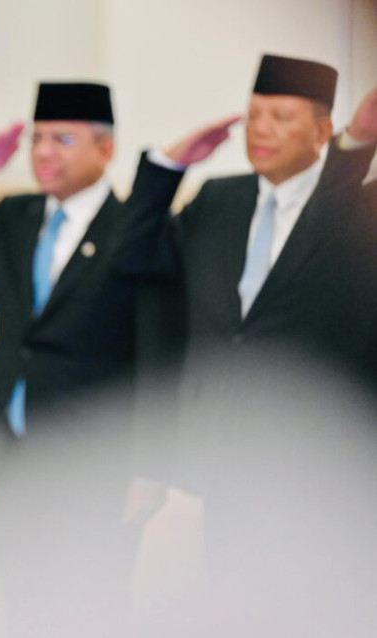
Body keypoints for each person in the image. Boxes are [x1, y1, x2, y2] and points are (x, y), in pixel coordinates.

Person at [114, 54, 377, 634]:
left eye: (281, 117)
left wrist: (359, 145)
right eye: (254, 114)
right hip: (227, 453)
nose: (261, 129)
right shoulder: (219, 199)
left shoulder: (360, 206)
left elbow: (330, 214)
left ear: (322, 130)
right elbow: (133, 259)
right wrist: (166, 167)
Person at [0, 82, 154, 636]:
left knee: (94, 613)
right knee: (23, 610)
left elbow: (153, 353)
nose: (43, 152)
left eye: (62, 139)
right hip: (12, 455)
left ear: (106, 149)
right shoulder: (13, 217)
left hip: (97, 465)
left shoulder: (132, 229)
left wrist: (147, 468)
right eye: (37, 138)